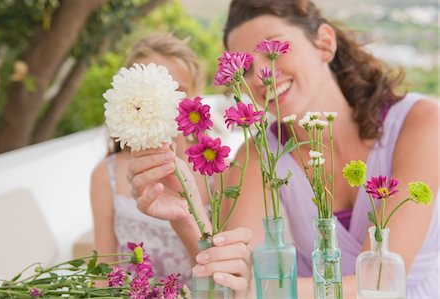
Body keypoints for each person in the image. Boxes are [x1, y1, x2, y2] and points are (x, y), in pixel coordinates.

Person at [128, 0, 439, 298]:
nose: (262, 75)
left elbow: (380, 283)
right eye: (245, 69)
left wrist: (261, 289)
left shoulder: (421, 122)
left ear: (325, 43)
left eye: (273, 49)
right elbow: (231, 284)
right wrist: (184, 214)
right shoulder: (255, 156)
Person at [90, 33, 209, 286]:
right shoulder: (105, 175)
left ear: (194, 97)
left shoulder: (217, 171)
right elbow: (103, 273)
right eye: (152, 92)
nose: (163, 102)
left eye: (177, 91)